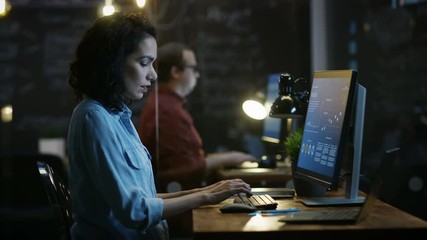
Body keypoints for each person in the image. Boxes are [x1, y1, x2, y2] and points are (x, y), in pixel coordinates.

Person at [66, 11, 252, 240]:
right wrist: (205, 197)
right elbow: (135, 212)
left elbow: (147, 198)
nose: (153, 75)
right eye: (144, 63)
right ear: (113, 62)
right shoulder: (93, 118)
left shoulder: (116, 116)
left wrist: (207, 191)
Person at [137, 42, 257, 192]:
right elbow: (184, 169)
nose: (197, 74)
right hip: (181, 201)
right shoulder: (167, 110)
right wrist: (230, 158)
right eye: (193, 68)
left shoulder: (166, 104)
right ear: (175, 72)